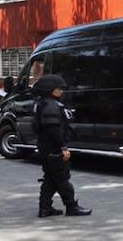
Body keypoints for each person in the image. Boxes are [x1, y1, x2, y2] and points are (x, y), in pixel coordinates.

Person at [34, 74, 92, 217]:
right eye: (58, 88)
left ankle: (45, 208)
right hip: (53, 149)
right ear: (50, 89)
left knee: (50, 179)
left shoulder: (44, 104)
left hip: (46, 148)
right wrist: (63, 148)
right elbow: (54, 130)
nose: (61, 91)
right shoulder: (51, 106)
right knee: (62, 178)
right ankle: (71, 206)